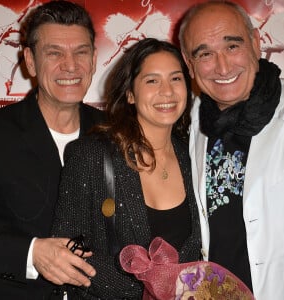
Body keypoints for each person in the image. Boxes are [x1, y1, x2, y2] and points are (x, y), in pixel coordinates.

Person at [51, 37, 202, 299]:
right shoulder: (91, 155)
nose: (167, 91)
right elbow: (68, 255)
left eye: (176, 79)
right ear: (130, 94)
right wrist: (153, 285)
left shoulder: (194, 154)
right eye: (152, 80)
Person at [178, 1, 284, 299]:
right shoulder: (192, 118)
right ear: (189, 64)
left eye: (232, 46)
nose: (223, 67)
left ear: (256, 44)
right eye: (205, 54)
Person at [0, 1, 106, 299]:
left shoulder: (116, 134)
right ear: (30, 61)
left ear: (94, 59)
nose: (70, 66)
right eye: (54, 53)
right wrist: (31, 253)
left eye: (81, 52)